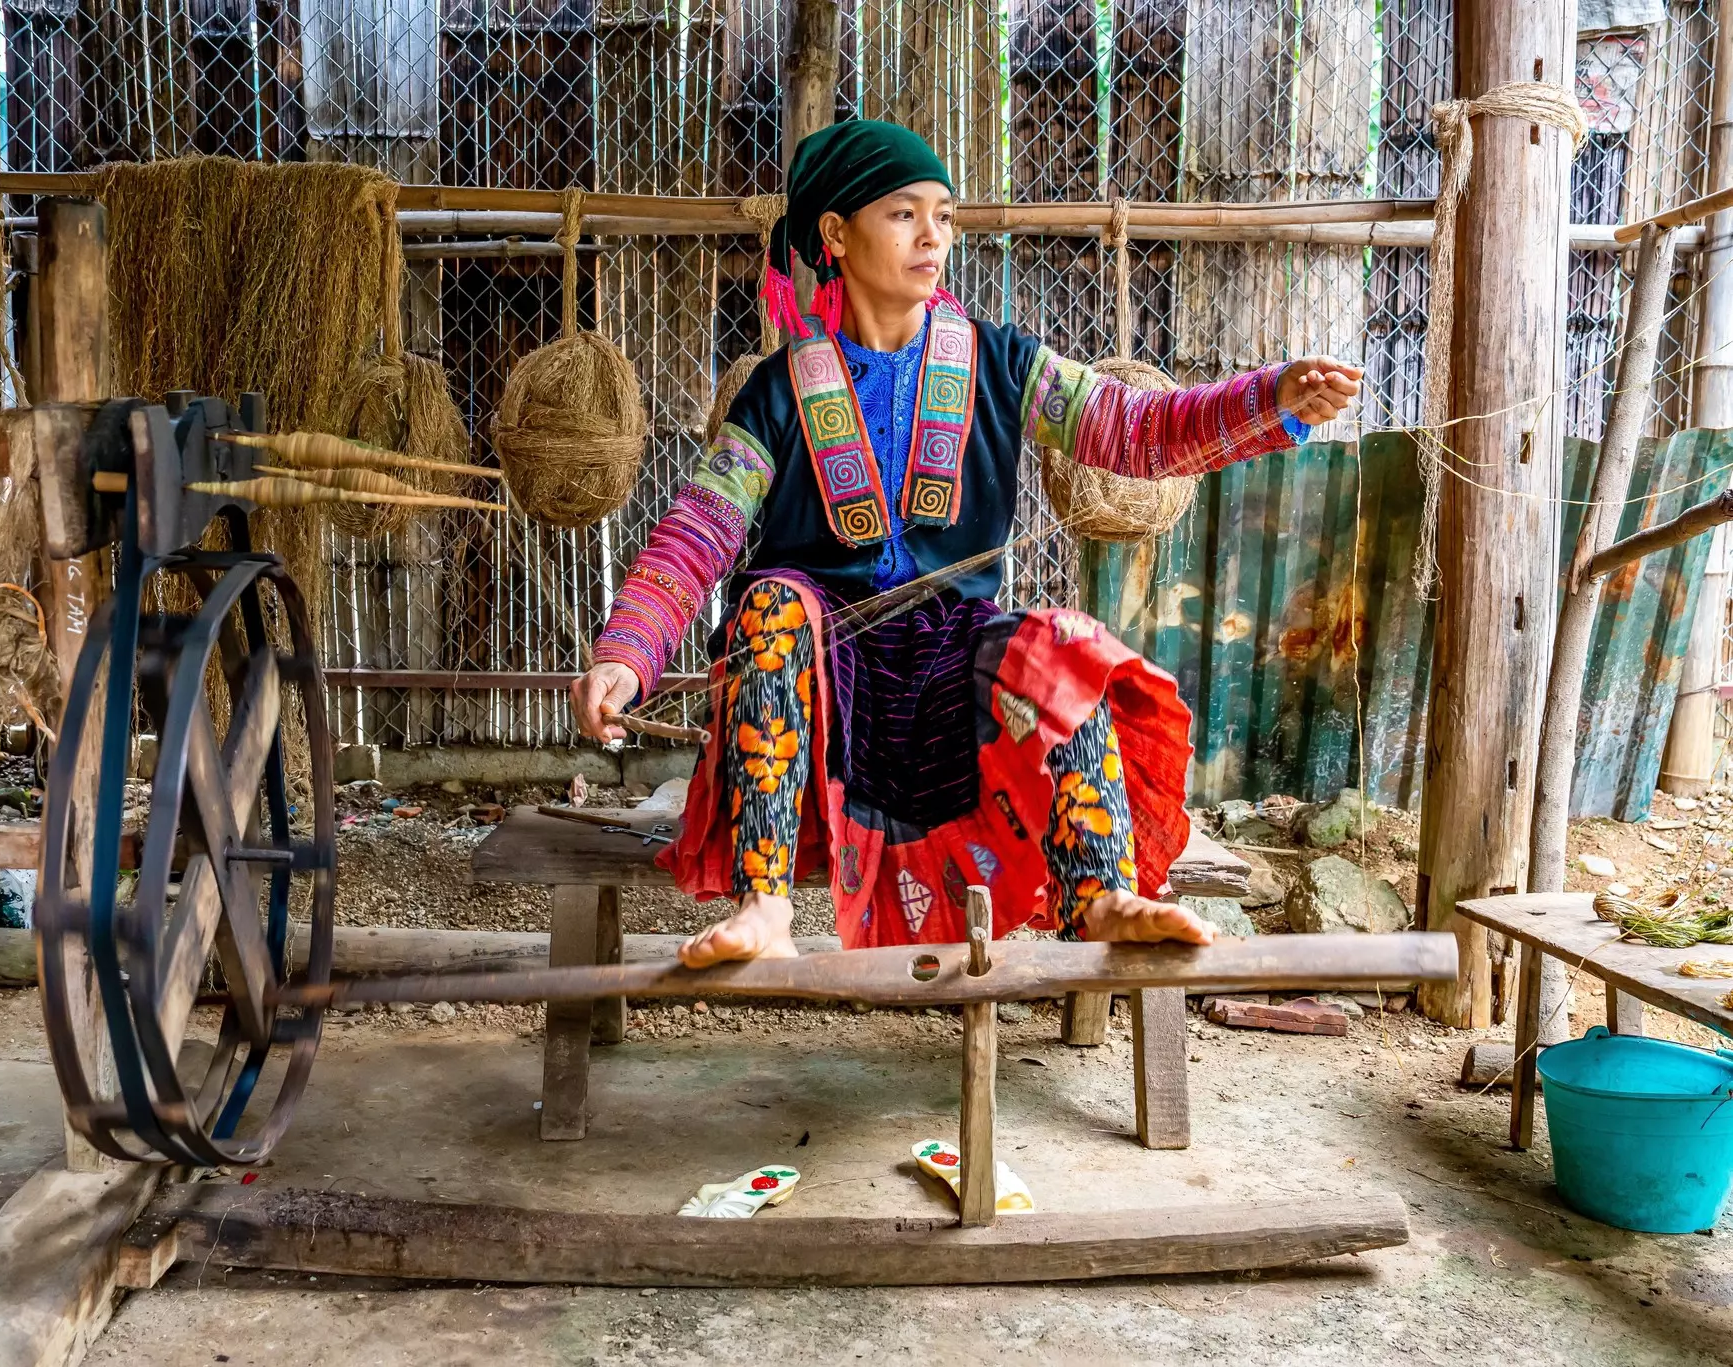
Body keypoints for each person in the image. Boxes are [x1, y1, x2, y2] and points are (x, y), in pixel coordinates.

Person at [569, 119, 1362, 969]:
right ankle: (764, 908)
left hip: (952, 668)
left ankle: (1098, 894)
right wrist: (627, 653)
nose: (933, 236)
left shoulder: (1001, 362)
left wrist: (1270, 398)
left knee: (1066, 643)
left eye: (943, 216)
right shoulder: (776, 391)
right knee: (768, 608)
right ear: (835, 234)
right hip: (817, 681)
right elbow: (699, 531)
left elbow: (1139, 433)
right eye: (903, 214)